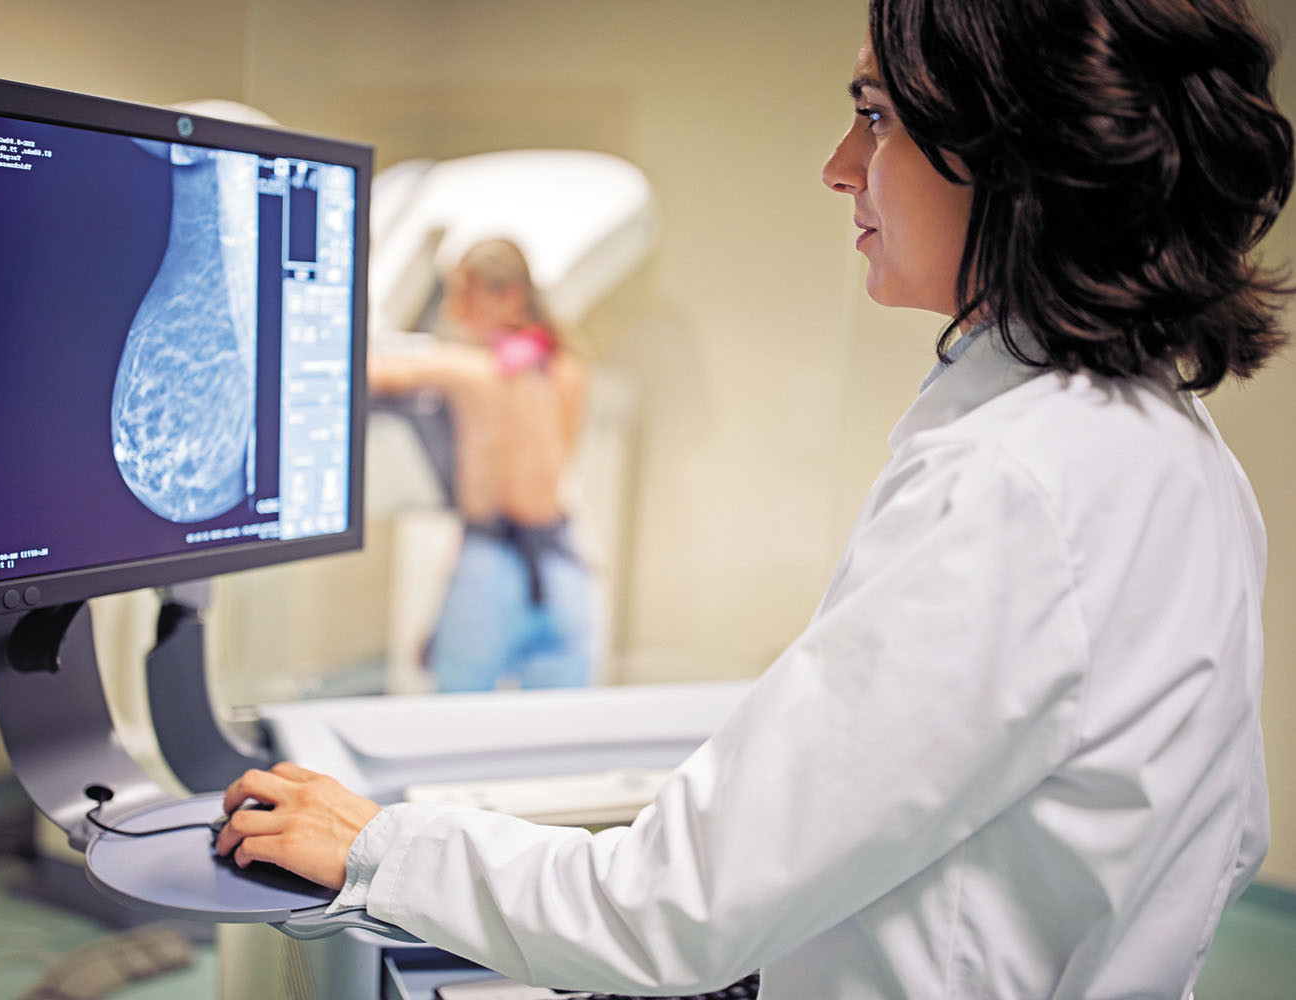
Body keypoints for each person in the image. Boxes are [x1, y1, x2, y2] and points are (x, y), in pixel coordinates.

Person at [214, 0, 1293, 994]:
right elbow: (1214, 834)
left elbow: (669, 910)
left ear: (1017, 148)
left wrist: (381, 845)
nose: (837, 166)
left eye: (875, 116)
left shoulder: (1015, 483)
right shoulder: (1175, 451)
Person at [370, 238, 594, 692]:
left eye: (461, 293)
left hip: (493, 565)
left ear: (507, 297)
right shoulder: (569, 370)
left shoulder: (471, 372)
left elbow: (369, 373)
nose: (452, 309)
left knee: (456, 712)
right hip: (564, 565)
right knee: (560, 728)